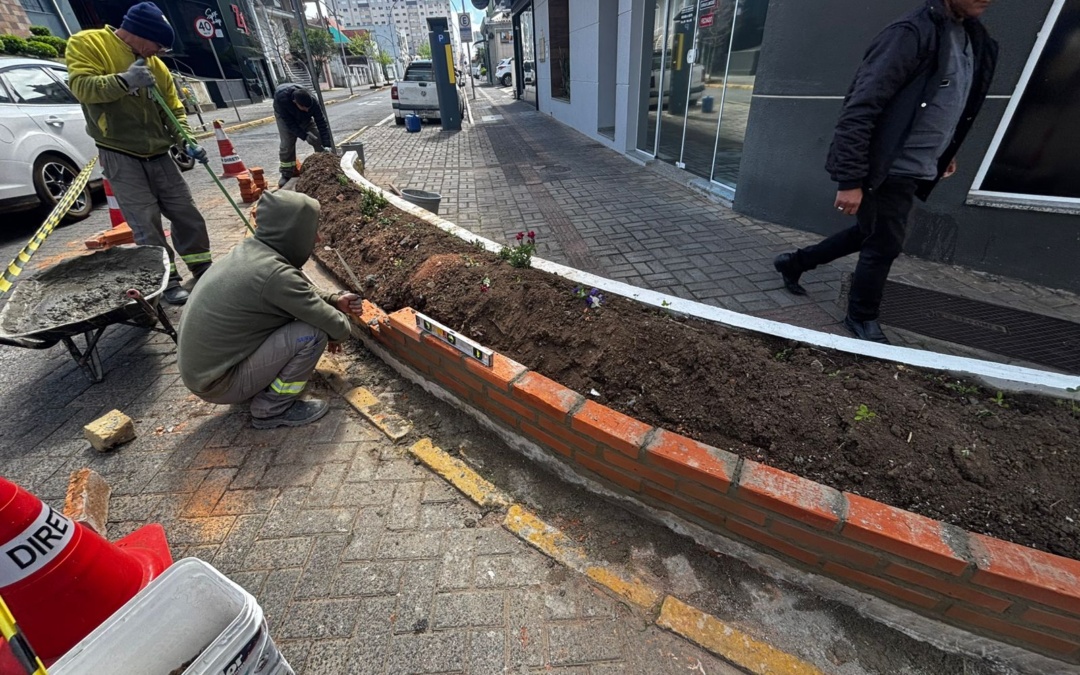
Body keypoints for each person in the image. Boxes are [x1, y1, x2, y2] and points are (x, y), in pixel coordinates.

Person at [773, 0, 998, 343]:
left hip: (918, 166)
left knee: (870, 232)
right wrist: (850, 180)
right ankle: (861, 317)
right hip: (889, 167)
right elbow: (860, 107)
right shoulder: (911, 33)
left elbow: (953, 105)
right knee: (884, 245)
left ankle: (795, 263)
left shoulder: (972, 37)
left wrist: (943, 154)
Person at [67, 2, 213, 305]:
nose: (158, 52)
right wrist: (125, 81)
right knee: (145, 221)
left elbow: (173, 108)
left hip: (158, 153)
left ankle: (202, 266)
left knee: (185, 211)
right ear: (142, 35)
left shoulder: (157, 67)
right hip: (120, 152)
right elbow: (82, 87)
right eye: (157, 45)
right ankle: (167, 281)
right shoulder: (89, 44)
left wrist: (186, 140)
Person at [177, 190, 362, 429]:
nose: (316, 239)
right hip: (219, 384)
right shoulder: (274, 275)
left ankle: (259, 386)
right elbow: (338, 326)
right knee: (311, 334)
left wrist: (334, 299)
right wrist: (334, 328)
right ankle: (272, 409)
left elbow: (294, 291)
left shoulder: (251, 254)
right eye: (311, 230)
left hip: (206, 374)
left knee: (296, 319)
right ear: (292, 232)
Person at [273, 83, 333, 187]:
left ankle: (324, 165)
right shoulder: (282, 100)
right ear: (295, 102)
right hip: (285, 118)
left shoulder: (312, 102)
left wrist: (327, 144)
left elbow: (321, 123)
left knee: (317, 137)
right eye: (304, 107)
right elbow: (291, 125)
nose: (307, 110)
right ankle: (286, 173)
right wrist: (304, 136)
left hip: (304, 118)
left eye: (308, 108)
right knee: (287, 143)